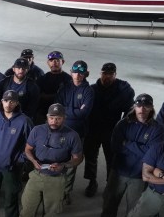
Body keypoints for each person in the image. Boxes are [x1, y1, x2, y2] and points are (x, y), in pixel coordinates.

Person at [6, 103, 83, 217]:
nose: (54, 121)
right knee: (27, 208)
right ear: (47, 117)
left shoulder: (72, 135)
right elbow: (27, 149)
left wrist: (63, 165)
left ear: (64, 119)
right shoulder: (37, 130)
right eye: (52, 117)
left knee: (49, 213)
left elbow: (78, 158)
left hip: (56, 179)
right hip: (36, 175)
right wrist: (33, 161)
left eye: (58, 118)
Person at [90, 94, 164, 217]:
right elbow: (115, 146)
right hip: (118, 171)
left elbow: (151, 154)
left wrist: (128, 143)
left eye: (146, 106)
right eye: (139, 105)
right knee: (109, 204)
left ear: (151, 108)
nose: (142, 109)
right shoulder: (123, 124)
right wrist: (139, 148)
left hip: (138, 175)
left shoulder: (157, 129)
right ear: (134, 107)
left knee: (133, 210)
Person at [84, 63, 135, 197]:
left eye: (110, 74)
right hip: (93, 128)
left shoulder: (123, 89)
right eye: (104, 73)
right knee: (90, 156)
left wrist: (122, 129)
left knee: (111, 158)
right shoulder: (92, 89)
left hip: (112, 129)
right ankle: (92, 181)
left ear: (115, 75)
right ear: (100, 73)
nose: (107, 77)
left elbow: (129, 110)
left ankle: (110, 183)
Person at [56, 60, 94, 205]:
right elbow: (57, 108)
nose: (77, 75)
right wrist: (75, 111)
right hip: (60, 131)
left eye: (81, 73)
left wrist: (66, 111)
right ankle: (56, 190)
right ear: (71, 72)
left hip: (78, 133)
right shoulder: (64, 88)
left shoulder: (88, 91)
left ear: (85, 74)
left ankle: (66, 192)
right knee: (58, 159)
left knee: (71, 164)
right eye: (75, 72)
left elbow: (84, 113)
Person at [36, 51, 72, 125]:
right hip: (43, 116)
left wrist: (46, 96)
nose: (54, 63)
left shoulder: (69, 80)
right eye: (51, 60)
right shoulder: (42, 79)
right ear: (48, 63)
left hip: (62, 117)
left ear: (63, 62)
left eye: (57, 60)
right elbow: (37, 97)